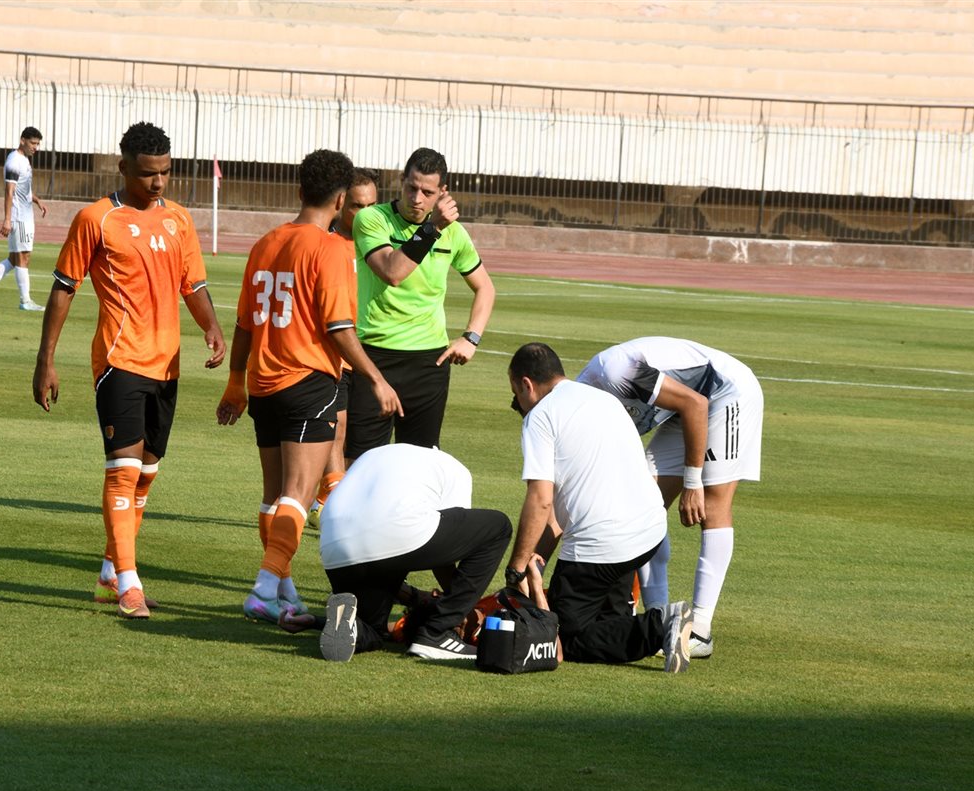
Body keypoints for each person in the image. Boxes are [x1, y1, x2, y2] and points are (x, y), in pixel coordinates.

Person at [33, 121, 225, 620]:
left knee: (146, 475)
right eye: (146, 174)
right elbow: (64, 288)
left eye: (165, 172)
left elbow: (193, 284)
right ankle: (130, 584)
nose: (157, 182)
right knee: (123, 472)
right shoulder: (96, 219)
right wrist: (45, 360)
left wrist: (211, 327)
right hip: (119, 361)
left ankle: (108, 575)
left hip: (167, 365)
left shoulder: (179, 219)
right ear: (123, 167)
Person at [216, 150, 400, 623]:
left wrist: (235, 382)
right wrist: (376, 378)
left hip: (263, 382)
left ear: (299, 191)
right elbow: (339, 328)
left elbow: (243, 323)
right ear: (340, 200)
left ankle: (285, 589)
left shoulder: (265, 242)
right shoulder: (331, 248)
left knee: (274, 495)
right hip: (307, 381)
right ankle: (263, 588)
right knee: (299, 494)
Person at [504, 343, 693, 673]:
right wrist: (538, 560)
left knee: (567, 637)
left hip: (603, 543)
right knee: (607, 623)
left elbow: (541, 499)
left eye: (515, 394)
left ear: (526, 385)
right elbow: (558, 517)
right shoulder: (604, 399)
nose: (518, 403)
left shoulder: (540, 417)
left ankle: (662, 624)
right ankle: (647, 625)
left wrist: (517, 567)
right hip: (648, 531)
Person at [576, 336, 764, 658]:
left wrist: (692, 483)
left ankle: (700, 631)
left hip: (725, 393)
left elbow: (696, 404)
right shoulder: (586, 413)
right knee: (641, 507)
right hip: (684, 408)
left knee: (713, 504)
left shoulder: (617, 372)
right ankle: (659, 623)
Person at [277, 444, 512, 662]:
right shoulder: (458, 471)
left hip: (334, 549)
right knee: (498, 528)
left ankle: (344, 624)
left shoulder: (385, 453)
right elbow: (446, 557)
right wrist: (461, 607)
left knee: (372, 629)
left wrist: (316, 621)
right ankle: (436, 633)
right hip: (388, 536)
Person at [345, 147, 495, 460]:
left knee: (419, 465)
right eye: (411, 187)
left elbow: (485, 288)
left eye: (427, 192)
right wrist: (432, 228)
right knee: (361, 462)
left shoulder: (454, 234)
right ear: (401, 180)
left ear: (442, 193)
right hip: (375, 356)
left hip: (429, 363)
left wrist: (471, 338)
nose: (416, 198)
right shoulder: (373, 219)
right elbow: (392, 272)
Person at [308, 167, 379, 529]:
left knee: (359, 440)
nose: (364, 214)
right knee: (336, 429)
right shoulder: (325, 244)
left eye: (371, 206)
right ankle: (331, 504)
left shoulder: (381, 247)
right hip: (335, 351)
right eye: (356, 206)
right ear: (340, 203)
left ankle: (323, 500)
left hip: (374, 351)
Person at [0, 126, 48, 311]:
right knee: (23, 257)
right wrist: (7, 219)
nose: (35, 147)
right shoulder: (14, 161)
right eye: (33, 143)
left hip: (23, 215)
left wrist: (36, 200)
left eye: (37, 144)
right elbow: (9, 191)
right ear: (22, 140)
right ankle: (25, 301)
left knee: (14, 259)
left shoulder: (24, 160)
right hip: (20, 217)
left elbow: (23, 188)